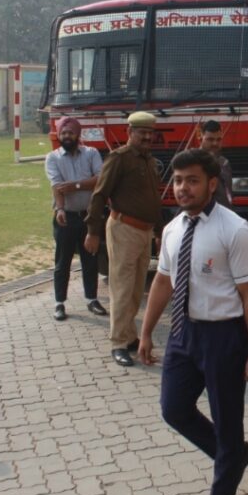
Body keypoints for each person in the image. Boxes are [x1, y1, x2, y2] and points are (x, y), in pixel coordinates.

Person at [138, 149, 248, 495]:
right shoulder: (173, 229)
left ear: (212, 184)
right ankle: (234, 455)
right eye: (178, 181)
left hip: (224, 336)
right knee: (174, 408)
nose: (183, 188)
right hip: (183, 332)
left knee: (227, 417)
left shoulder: (235, 230)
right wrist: (146, 332)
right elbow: (163, 282)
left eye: (192, 181)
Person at [84, 111, 165, 367]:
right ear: (129, 132)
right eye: (142, 133)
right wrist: (92, 231)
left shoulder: (149, 161)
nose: (147, 137)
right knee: (121, 288)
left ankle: (130, 336)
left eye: (150, 133)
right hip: (124, 228)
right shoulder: (119, 158)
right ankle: (118, 343)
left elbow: (154, 200)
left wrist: (159, 231)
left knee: (136, 288)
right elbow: (99, 195)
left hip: (144, 231)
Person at [45, 117, 107, 321]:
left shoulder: (91, 153)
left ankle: (92, 300)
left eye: (70, 133)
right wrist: (60, 209)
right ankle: (59, 304)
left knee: (90, 259)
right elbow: (57, 186)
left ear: (77, 135)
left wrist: (75, 186)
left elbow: (100, 179)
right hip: (66, 217)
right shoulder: (52, 158)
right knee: (62, 262)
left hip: (89, 217)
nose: (67, 136)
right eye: (63, 133)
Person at [199, 120, 232, 208]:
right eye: (210, 139)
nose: (215, 143)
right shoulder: (194, 162)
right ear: (201, 137)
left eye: (218, 139)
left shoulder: (225, 163)